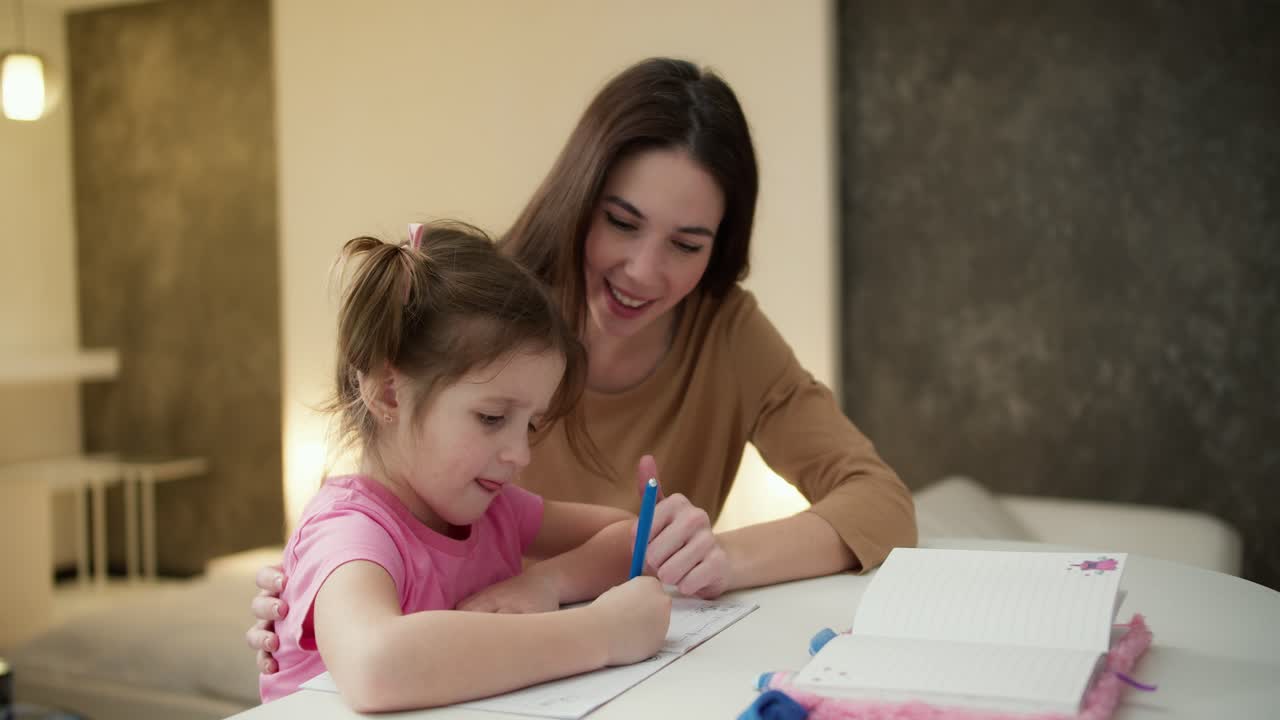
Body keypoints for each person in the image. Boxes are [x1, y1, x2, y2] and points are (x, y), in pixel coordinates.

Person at [249, 57, 916, 673]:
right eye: (623, 223)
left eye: (687, 244)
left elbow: (880, 506)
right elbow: (384, 516)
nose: (644, 271)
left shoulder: (727, 332)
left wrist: (713, 559)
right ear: (579, 199)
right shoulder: (488, 317)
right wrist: (327, 583)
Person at [258, 222, 671, 710]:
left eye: (530, 425)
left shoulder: (494, 512)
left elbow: (629, 536)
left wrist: (545, 581)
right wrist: (601, 633)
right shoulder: (351, 532)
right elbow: (375, 664)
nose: (520, 454)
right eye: (492, 418)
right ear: (390, 391)